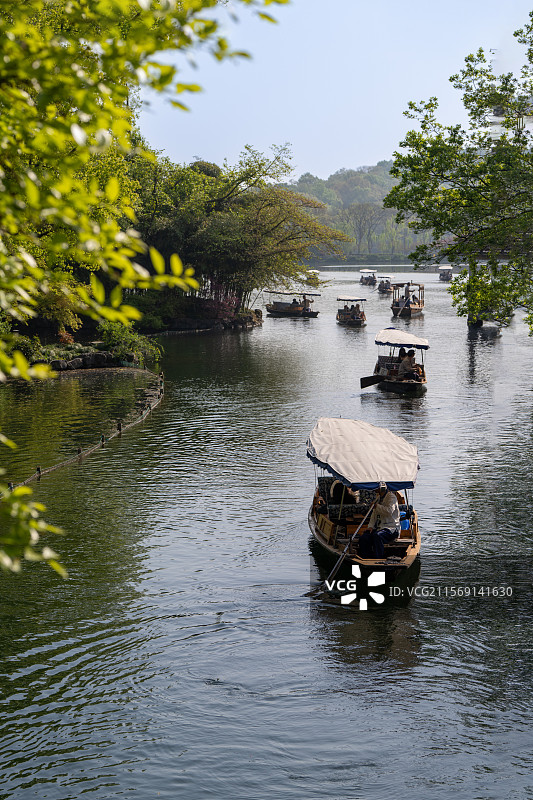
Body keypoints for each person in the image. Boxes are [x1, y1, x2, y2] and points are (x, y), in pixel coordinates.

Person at [358, 483, 400, 558]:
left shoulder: (391, 497)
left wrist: (377, 506)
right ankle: (366, 558)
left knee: (377, 536)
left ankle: (379, 558)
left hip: (391, 528)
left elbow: (389, 511)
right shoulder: (378, 498)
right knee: (364, 538)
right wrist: (370, 526)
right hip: (380, 528)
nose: (374, 489)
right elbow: (374, 514)